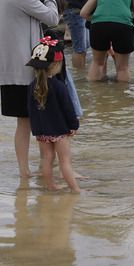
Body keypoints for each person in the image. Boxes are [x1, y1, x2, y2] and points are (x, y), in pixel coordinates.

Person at [0, 0, 61, 179]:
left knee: (23, 123)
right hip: (31, 70)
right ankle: (45, 169)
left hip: (6, 70)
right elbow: (52, 18)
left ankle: (24, 172)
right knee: (43, 121)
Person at [25, 35, 81, 192]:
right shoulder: (58, 86)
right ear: (56, 65)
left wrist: (36, 130)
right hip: (59, 131)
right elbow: (68, 109)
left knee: (47, 160)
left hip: (41, 132)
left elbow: (30, 111)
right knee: (65, 161)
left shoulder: (31, 86)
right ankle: (75, 189)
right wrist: (74, 125)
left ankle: (50, 186)